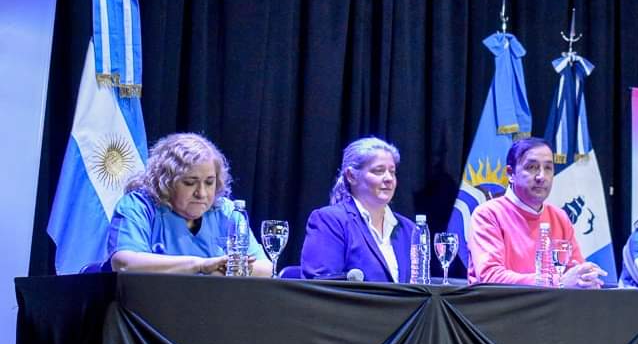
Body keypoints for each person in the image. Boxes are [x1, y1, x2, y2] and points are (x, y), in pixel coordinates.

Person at [107, 132, 271, 276]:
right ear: (166, 181)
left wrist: (216, 274)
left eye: (209, 182)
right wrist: (200, 266)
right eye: (190, 183)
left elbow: (266, 268)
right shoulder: (139, 206)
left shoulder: (226, 211)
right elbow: (124, 263)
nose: (201, 193)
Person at [467, 137, 605, 288]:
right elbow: (490, 276)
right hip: (500, 309)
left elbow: (574, 271)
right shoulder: (488, 214)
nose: (541, 177)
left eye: (548, 168)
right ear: (510, 173)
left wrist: (585, 278)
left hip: (552, 309)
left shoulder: (559, 217)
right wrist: (557, 282)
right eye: (532, 167)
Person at [301, 136, 416, 282]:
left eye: (392, 172)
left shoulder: (409, 229)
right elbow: (321, 287)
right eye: (378, 171)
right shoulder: (330, 221)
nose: (389, 178)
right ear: (351, 176)